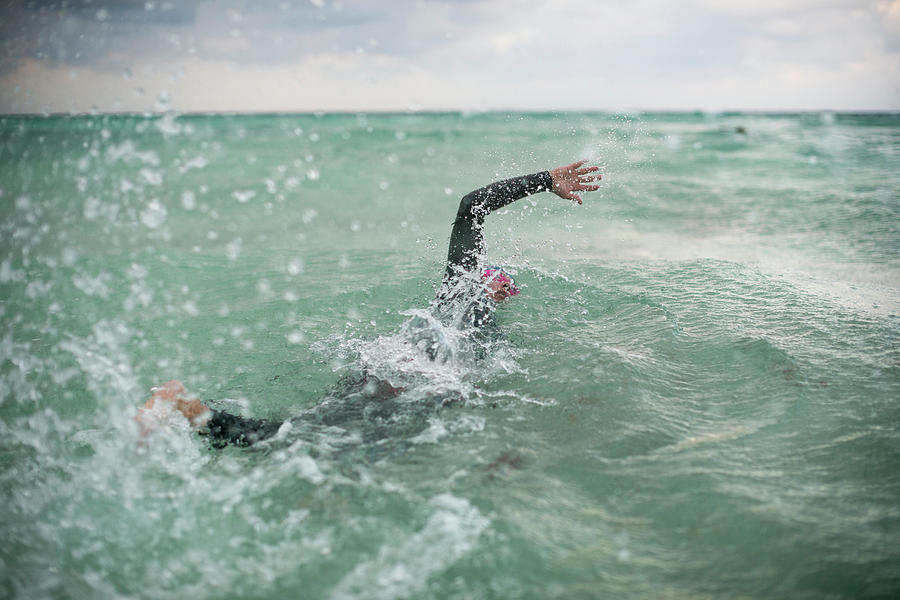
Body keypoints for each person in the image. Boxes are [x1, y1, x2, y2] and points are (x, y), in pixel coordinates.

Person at [137, 160, 601, 446]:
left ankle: (194, 412)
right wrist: (542, 181)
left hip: (384, 365)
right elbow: (471, 206)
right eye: (496, 279)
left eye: (505, 286)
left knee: (300, 433)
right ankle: (185, 406)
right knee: (304, 439)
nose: (498, 287)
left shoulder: (465, 311)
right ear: (483, 277)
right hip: (403, 376)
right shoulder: (460, 287)